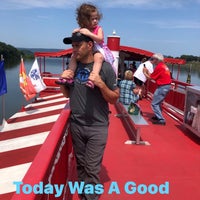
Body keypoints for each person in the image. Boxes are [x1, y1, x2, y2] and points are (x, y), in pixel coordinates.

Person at [60, 32, 119, 200]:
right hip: (76, 125)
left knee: (92, 169)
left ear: (90, 45)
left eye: (78, 45)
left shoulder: (105, 68)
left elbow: (114, 98)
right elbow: (66, 94)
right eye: (73, 46)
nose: (74, 49)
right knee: (81, 166)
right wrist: (62, 79)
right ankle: (83, 196)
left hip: (97, 127)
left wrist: (100, 84)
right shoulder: (73, 66)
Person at [56, 3, 114, 88]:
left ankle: (93, 77)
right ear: (85, 21)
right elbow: (77, 34)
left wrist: (89, 34)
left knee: (98, 57)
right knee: (73, 57)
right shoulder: (82, 29)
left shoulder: (98, 28)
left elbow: (100, 39)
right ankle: (70, 75)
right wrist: (76, 31)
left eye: (96, 18)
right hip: (88, 48)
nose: (95, 21)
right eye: (92, 19)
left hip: (98, 47)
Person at [143, 53, 172, 125]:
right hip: (166, 86)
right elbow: (153, 76)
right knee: (158, 103)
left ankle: (161, 119)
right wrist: (147, 72)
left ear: (157, 60)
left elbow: (150, 78)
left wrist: (144, 73)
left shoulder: (159, 67)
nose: (152, 60)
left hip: (163, 87)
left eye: (153, 59)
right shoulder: (163, 66)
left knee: (154, 104)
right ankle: (157, 116)